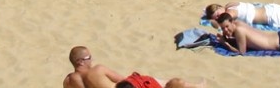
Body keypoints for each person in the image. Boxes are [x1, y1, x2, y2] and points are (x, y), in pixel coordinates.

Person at [63, 46, 203, 88]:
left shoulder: (68, 82)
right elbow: (124, 81)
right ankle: (197, 86)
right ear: (80, 61)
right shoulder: (97, 70)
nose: (91, 60)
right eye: (89, 58)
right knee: (172, 83)